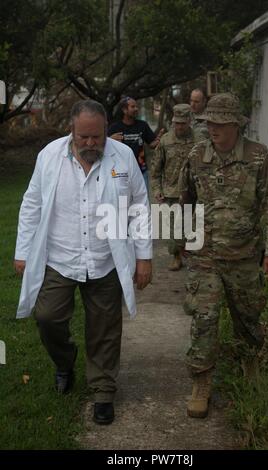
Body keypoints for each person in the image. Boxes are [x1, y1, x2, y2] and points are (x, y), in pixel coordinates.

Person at [14, 99, 152, 425]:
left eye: (98, 137)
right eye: (83, 138)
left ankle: (103, 391)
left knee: (104, 328)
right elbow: (32, 203)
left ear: (107, 130)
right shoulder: (49, 156)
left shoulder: (124, 157)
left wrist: (144, 257)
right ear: (71, 132)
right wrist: (23, 251)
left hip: (105, 259)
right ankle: (65, 361)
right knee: (47, 317)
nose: (91, 144)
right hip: (60, 257)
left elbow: (139, 207)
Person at [178, 93, 268, 419]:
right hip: (205, 256)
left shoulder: (258, 157)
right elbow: (185, 197)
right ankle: (201, 382)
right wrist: (184, 239)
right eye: (209, 122)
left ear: (236, 125)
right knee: (204, 318)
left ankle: (249, 362)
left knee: (247, 316)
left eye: (220, 124)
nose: (213, 129)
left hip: (243, 255)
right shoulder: (197, 155)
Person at [151, 104, 201, 271]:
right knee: (173, 228)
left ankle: (194, 255)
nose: (179, 127)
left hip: (195, 192)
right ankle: (176, 256)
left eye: (182, 123)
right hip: (171, 192)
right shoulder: (166, 141)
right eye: (176, 123)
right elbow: (155, 170)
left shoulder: (200, 141)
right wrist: (157, 190)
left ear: (189, 122)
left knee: (193, 226)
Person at [108, 97, 164, 193]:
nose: (136, 109)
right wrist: (109, 139)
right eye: (132, 107)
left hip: (141, 171)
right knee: (123, 203)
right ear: (124, 110)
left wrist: (160, 139)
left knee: (142, 205)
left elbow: (151, 144)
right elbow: (104, 146)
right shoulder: (115, 127)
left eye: (136, 106)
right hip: (121, 173)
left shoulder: (142, 125)